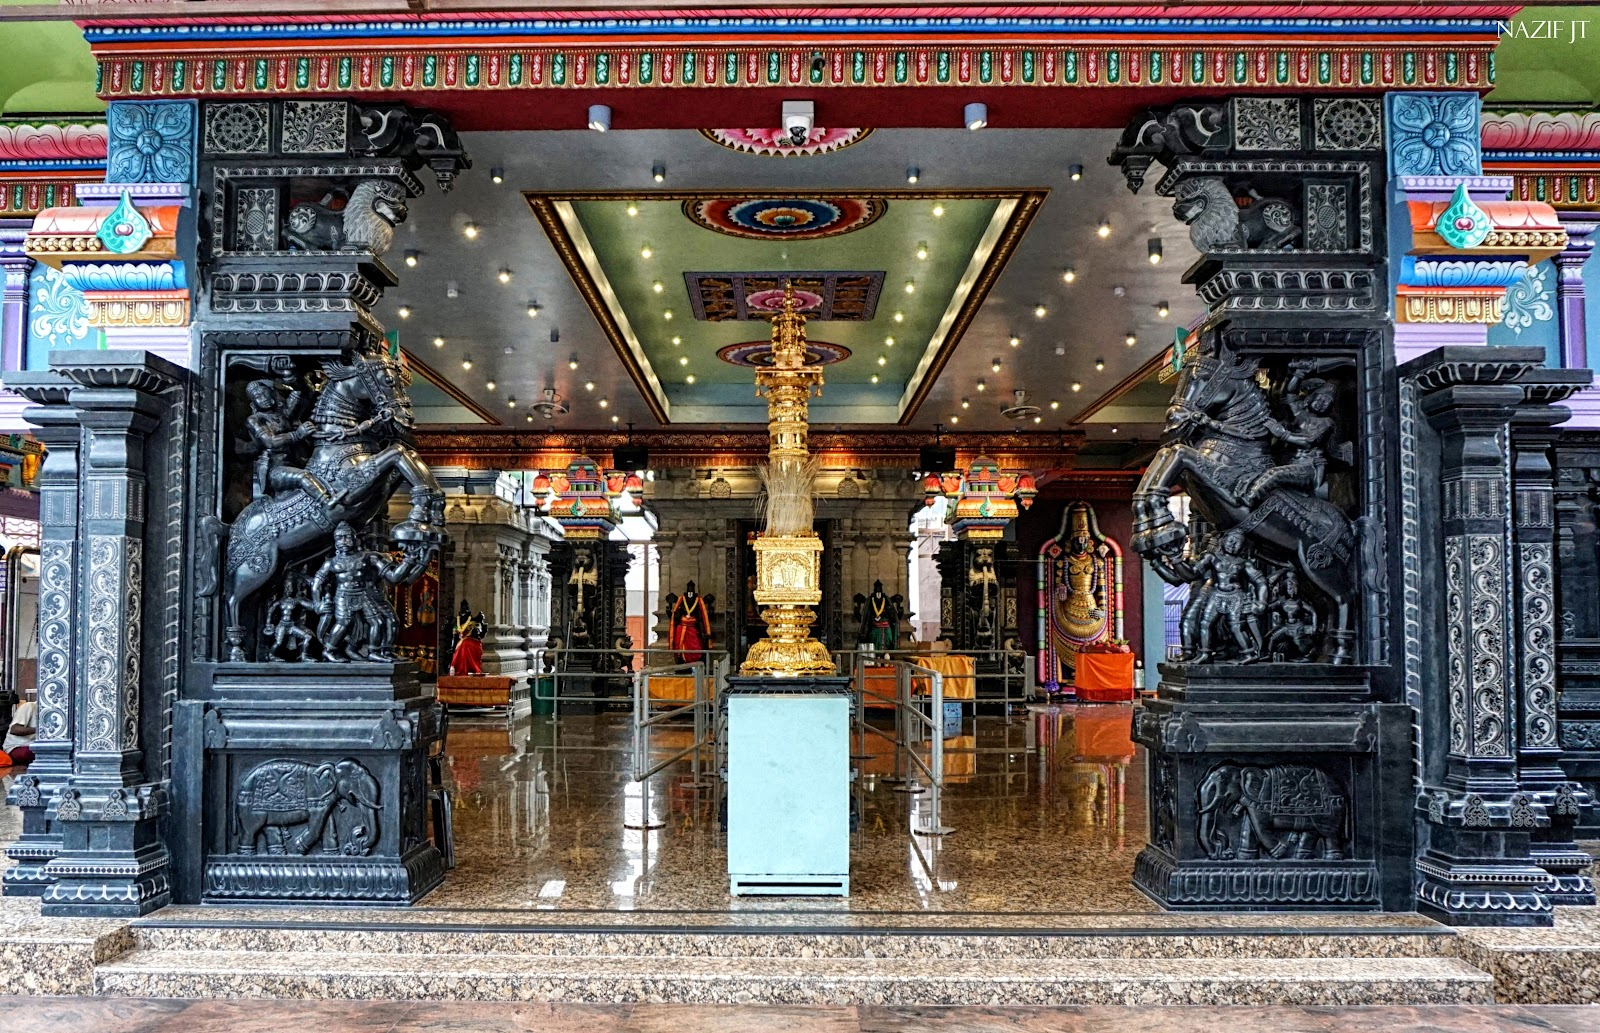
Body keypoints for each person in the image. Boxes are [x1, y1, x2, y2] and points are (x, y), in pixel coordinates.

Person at [244, 377, 334, 503]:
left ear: (272, 393)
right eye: (258, 397)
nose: (263, 398)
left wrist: (291, 376)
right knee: (303, 477)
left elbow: (301, 391)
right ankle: (329, 503)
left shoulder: (284, 413)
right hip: (275, 468)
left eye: (265, 393)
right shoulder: (254, 420)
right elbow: (270, 442)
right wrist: (297, 435)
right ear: (253, 403)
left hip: (298, 461)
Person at [669, 581, 711, 663]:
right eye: (689, 591)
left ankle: (694, 660)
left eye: (692, 591)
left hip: (693, 628)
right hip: (682, 627)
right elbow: (676, 614)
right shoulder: (681, 599)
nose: (690, 593)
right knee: (679, 645)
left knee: (695, 645)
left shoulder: (698, 600)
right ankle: (680, 658)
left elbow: (702, 615)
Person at [450, 604, 484, 675]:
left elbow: (479, 632)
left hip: (473, 641)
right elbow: (457, 632)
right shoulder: (457, 622)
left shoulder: (473, 623)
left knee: (464, 645)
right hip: (462, 640)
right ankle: (454, 666)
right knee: (461, 645)